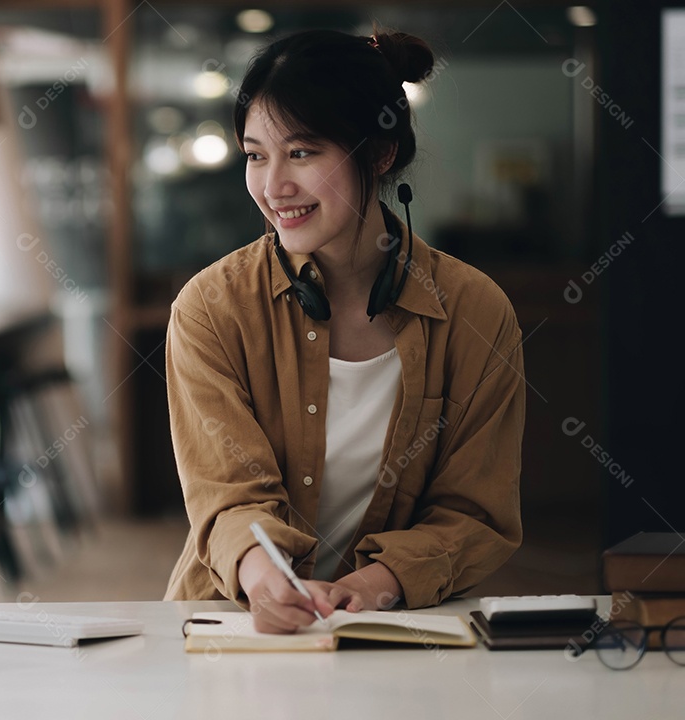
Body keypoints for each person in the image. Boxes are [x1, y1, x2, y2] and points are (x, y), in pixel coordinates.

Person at [162, 28, 525, 634]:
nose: (274, 187)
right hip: (236, 624)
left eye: (302, 152)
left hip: (394, 630)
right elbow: (227, 498)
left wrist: (373, 586)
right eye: (256, 155)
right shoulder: (211, 309)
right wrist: (265, 577)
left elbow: (474, 512)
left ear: (379, 154)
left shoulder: (475, 312)